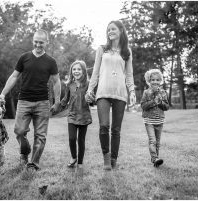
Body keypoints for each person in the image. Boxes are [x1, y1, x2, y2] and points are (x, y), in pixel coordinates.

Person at [0, 29, 61, 171]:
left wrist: (57, 102)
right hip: (24, 101)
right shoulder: (24, 57)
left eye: (41, 42)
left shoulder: (51, 61)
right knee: (19, 131)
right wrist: (3, 93)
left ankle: (33, 163)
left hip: (43, 103)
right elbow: (14, 76)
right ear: (33, 41)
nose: (38, 45)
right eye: (36, 42)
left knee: (40, 135)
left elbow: (56, 82)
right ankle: (24, 153)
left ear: (47, 42)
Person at [85, 20, 136, 170]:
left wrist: (132, 91)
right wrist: (90, 90)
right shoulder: (102, 49)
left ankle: (114, 159)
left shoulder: (127, 52)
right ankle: (106, 157)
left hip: (120, 93)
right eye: (108, 30)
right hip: (103, 93)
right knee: (103, 126)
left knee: (116, 129)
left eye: (113, 29)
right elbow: (95, 72)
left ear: (121, 31)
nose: (110, 32)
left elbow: (129, 75)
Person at [58, 60, 92, 170]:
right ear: (71, 71)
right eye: (74, 69)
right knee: (72, 138)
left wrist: (91, 98)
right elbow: (65, 98)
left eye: (79, 69)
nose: (76, 71)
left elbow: (92, 99)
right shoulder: (70, 85)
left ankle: (80, 162)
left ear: (83, 71)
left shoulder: (88, 84)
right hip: (72, 115)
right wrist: (58, 105)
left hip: (84, 116)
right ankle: (73, 157)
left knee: (81, 140)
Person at [140, 69, 169, 167]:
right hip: (149, 121)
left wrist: (160, 102)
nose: (155, 82)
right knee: (152, 140)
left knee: (157, 142)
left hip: (159, 121)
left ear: (160, 81)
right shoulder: (146, 92)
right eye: (152, 80)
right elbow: (143, 106)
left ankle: (156, 160)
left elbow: (166, 107)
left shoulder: (163, 92)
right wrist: (154, 102)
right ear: (149, 81)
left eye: (157, 80)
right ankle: (154, 158)